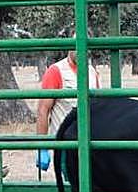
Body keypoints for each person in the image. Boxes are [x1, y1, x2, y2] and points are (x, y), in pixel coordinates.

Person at [35, 42, 100, 174]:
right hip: (65, 143)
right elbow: (43, 110)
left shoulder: (91, 72)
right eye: (75, 45)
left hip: (88, 141)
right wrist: (42, 147)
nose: (79, 50)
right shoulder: (56, 71)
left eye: (83, 45)